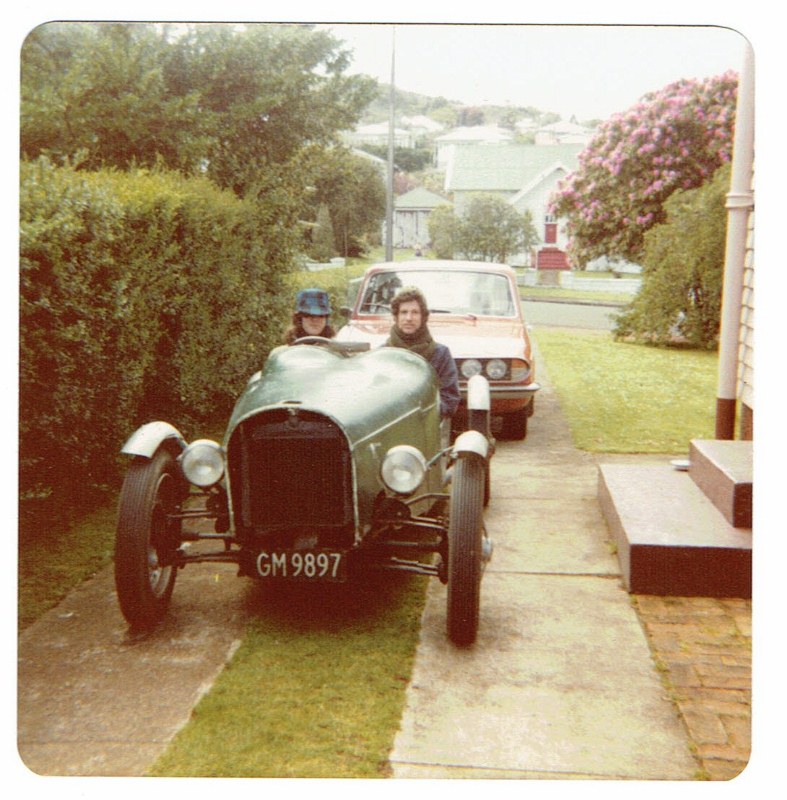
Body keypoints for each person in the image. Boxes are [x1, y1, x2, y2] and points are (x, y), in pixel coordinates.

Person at [385, 286, 460, 420]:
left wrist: (423, 412)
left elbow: (449, 398)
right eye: (403, 312)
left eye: (415, 312)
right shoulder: (382, 354)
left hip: (427, 426)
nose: (409, 318)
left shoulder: (441, 354)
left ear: (423, 317)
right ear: (396, 316)